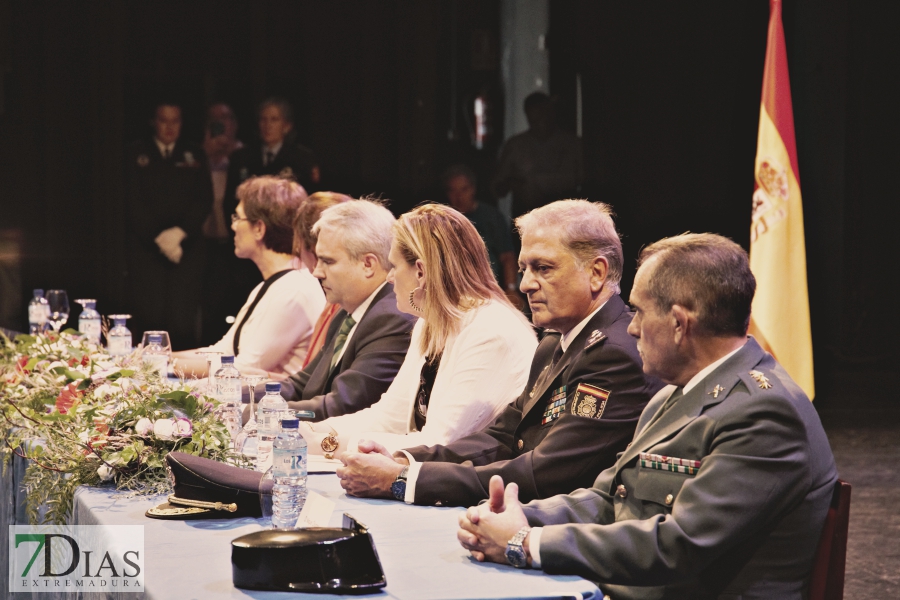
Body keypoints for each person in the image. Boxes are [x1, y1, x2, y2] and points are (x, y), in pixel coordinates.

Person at [457, 233, 838, 600]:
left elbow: (679, 545)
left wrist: (526, 542)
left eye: (638, 311)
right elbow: (607, 498)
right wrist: (515, 516)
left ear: (679, 322)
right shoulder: (674, 394)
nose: (632, 327)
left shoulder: (764, 413)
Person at [336, 200, 663, 507]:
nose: (525, 284)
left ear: (597, 273)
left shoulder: (615, 354)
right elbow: (502, 436)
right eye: (524, 268)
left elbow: (543, 474)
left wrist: (403, 479)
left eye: (543, 268)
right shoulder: (554, 343)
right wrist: (405, 459)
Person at [298, 204, 538, 458]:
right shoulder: (429, 322)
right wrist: (314, 431)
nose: (389, 277)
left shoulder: (490, 331)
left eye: (394, 266)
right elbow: (389, 417)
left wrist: (329, 445)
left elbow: (439, 443)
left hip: (474, 490)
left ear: (421, 272)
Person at [277, 199, 418, 419]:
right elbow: (301, 383)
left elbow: (342, 404)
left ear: (368, 264)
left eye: (328, 261)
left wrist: (264, 413)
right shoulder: (349, 310)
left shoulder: (392, 318)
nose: (317, 272)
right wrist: (242, 396)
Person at [173, 176, 324, 377]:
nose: (233, 226)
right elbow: (224, 350)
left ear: (259, 228)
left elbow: (245, 368)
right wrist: (164, 356)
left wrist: (164, 366)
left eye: (237, 218)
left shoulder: (293, 289)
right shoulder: (272, 284)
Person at [214, 97, 321, 337]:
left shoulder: (301, 158)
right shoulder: (243, 157)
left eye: (274, 119)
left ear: (287, 125)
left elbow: (306, 209)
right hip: (249, 253)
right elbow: (231, 204)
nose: (267, 125)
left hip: (284, 245)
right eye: (263, 119)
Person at [124, 100, 211, 349]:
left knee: (182, 318)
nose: (170, 127)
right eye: (164, 120)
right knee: (150, 316)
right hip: (147, 250)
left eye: (175, 121)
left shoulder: (194, 153)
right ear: (153, 122)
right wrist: (160, 239)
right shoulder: (135, 153)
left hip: (187, 249)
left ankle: (185, 375)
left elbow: (204, 198)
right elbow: (133, 200)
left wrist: (179, 233)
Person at [492, 92, 583, 220]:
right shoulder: (516, 145)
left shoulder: (572, 144)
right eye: (534, 120)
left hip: (564, 221)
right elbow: (498, 187)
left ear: (552, 114)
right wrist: (514, 184)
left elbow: (587, 182)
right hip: (528, 222)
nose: (541, 124)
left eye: (544, 116)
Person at [443, 165, 519, 307]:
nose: (458, 196)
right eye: (453, 191)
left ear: (473, 189)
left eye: (464, 189)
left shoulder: (491, 217)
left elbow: (507, 256)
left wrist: (511, 288)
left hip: (490, 289)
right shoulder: (443, 220)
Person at [291, 192, 353, 368]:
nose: (317, 272)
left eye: (328, 260)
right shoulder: (334, 303)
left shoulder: (345, 305)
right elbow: (309, 381)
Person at [200, 103, 244, 345]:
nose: (220, 124)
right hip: (206, 241)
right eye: (213, 119)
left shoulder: (243, 156)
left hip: (236, 242)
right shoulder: (199, 156)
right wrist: (207, 156)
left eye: (225, 118)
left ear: (234, 124)